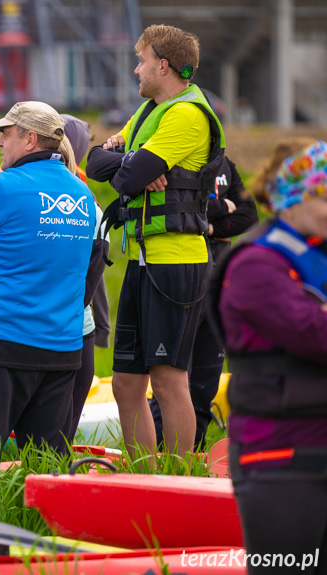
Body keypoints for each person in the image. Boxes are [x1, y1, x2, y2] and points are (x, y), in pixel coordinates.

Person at [85, 24, 225, 457]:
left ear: (162, 65)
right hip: (144, 260)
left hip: (177, 262)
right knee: (127, 380)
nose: (135, 69)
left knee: (168, 378)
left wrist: (129, 166)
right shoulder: (149, 113)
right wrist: (132, 164)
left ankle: (179, 478)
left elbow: (125, 175)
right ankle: (141, 475)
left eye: (141, 60)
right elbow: (95, 161)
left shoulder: (186, 114)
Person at [0, 101, 95, 477]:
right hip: (62, 349)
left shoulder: (0, 188)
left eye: (5, 134)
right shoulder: (82, 196)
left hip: (2, 345)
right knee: (48, 468)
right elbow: (87, 267)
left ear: (29, 139)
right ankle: (44, 532)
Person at [209, 139, 327, 575]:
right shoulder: (255, 265)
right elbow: (316, 334)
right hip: (279, 457)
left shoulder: (316, 255)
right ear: (295, 200)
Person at [151, 155, 258, 448]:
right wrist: (224, 207)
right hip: (182, 279)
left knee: (206, 379)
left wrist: (209, 227)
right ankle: (157, 457)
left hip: (219, 285)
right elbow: (178, 207)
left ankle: (191, 460)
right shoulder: (173, 160)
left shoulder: (226, 164)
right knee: (172, 378)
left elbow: (250, 215)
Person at [61, 115, 110, 443]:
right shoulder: (79, 195)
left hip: (80, 324)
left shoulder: (84, 199)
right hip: (54, 326)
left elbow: (95, 273)